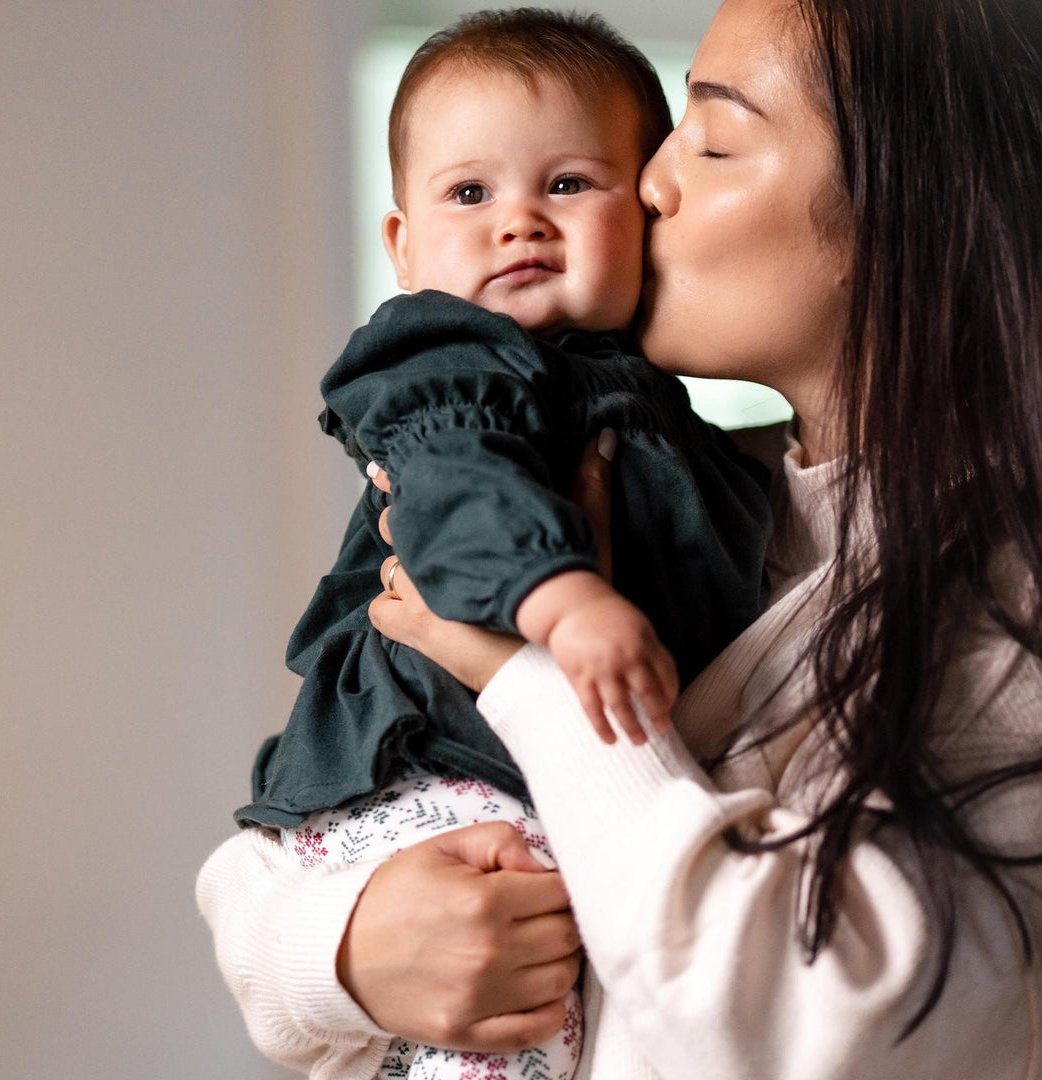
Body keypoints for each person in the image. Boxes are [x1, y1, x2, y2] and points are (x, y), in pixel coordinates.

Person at [197, 0, 1042, 1077]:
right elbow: (249, 875)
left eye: (712, 135)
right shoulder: (674, 488)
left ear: (921, 207)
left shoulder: (1000, 609)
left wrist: (532, 676)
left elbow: (815, 1021)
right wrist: (346, 949)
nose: (646, 182)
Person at [214, 9, 769, 1080]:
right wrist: (565, 600)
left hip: (530, 778)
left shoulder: (657, 409)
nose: (519, 223)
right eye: (470, 194)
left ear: (647, 211)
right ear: (404, 247)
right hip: (428, 774)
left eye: (568, 185)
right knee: (510, 1019)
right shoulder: (450, 365)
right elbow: (461, 495)